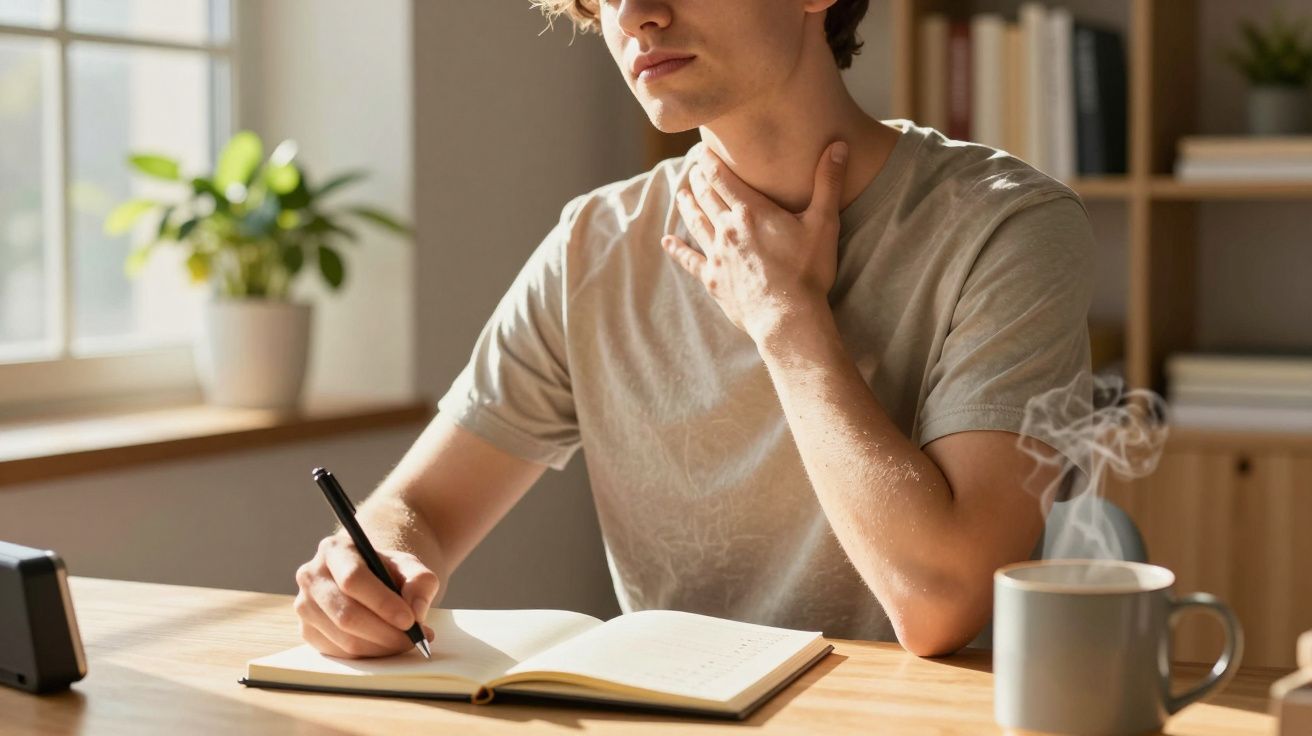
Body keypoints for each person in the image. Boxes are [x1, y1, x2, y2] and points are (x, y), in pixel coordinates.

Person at [293, 0, 1095, 659]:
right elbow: (422, 510)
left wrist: (786, 318)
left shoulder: (1007, 227)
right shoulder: (593, 246)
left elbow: (942, 603)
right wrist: (374, 566)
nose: (635, 15)